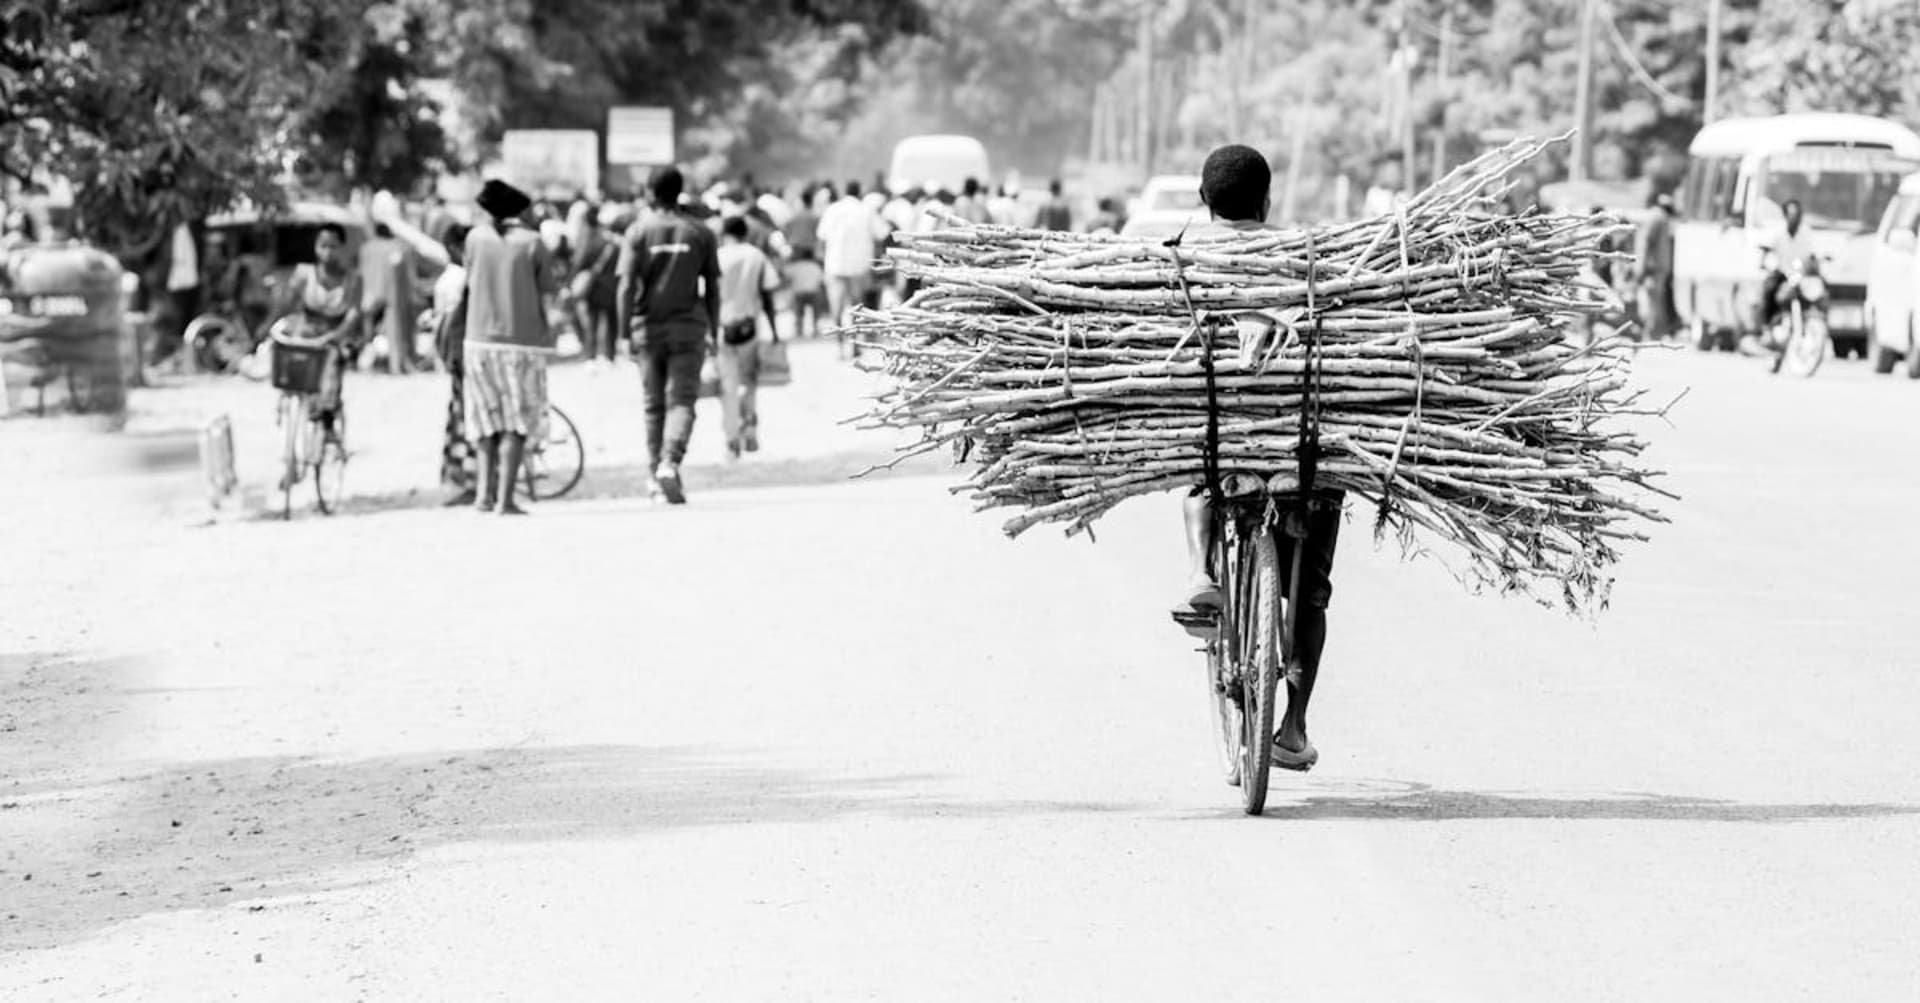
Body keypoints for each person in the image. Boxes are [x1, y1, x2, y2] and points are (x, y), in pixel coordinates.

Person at [1176, 144, 1343, 773]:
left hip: (1223, 441)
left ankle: (1201, 571)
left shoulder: (1183, 260)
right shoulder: (1302, 257)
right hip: (1304, 451)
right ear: (1267, 202)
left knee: (1200, 463)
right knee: (1314, 594)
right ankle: (1293, 728)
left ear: (1203, 200)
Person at [617, 165, 721, 505]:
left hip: (646, 328)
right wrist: (713, 329)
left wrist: (621, 333)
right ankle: (669, 463)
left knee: (653, 405)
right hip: (689, 328)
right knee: (682, 401)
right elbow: (712, 288)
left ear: (649, 192)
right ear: (679, 193)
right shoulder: (700, 232)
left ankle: (652, 476)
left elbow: (625, 286)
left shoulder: (638, 231)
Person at [463, 179, 558, 516]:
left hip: (478, 341)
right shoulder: (533, 243)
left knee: (485, 421)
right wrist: (553, 334)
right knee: (517, 422)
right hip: (523, 344)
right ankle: (505, 500)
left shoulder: (474, 239)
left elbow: (468, 279)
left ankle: (482, 496)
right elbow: (549, 297)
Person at [272, 222, 362, 421]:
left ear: (343, 248)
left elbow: (353, 315)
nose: (327, 252)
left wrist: (334, 336)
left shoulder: (353, 279)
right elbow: (286, 303)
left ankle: (328, 422)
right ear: (315, 246)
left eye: (333, 246)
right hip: (307, 334)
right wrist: (270, 324)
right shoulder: (304, 273)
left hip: (336, 336)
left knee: (332, 365)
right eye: (323, 245)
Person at [716, 216, 781, 459]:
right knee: (749, 382)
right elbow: (767, 296)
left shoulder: (717, 256)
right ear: (745, 233)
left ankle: (731, 439)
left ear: (724, 233)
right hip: (749, 329)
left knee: (728, 386)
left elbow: (706, 295)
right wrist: (774, 330)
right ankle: (750, 425)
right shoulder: (756, 256)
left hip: (722, 328)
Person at [432, 223, 475, 504]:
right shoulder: (461, 280)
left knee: (460, 417)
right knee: (469, 419)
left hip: (455, 355)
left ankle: (458, 477)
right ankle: (469, 479)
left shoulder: (447, 280)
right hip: (464, 354)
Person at [816, 179, 886, 355]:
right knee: (856, 306)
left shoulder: (832, 209)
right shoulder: (866, 210)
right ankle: (854, 345)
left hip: (835, 264)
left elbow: (821, 236)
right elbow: (882, 233)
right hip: (859, 266)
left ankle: (840, 346)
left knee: (836, 307)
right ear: (859, 192)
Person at [1757, 199, 1815, 334]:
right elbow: (1767, 249)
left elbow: (1812, 254)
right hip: (1783, 274)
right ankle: (1766, 325)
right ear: (1785, 215)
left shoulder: (1806, 233)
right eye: (1791, 214)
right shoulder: (1778, 232)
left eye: (1797, 215)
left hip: (1801, 275)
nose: (1794, 218)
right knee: (1769, 289)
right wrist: (1764, 263)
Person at [783, 186, 828, 339]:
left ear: (802, 201)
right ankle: (816, 323)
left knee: (797, 294)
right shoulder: (817, 217)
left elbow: (786, 235)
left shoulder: (792, 218)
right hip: (813, 259)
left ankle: (798, 327)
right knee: (815, 289)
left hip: (796, 258)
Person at [1634, 192, 1676, 339]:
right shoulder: (1657, 218)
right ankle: (1651, 332)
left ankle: (1652, 332)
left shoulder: (1657, 218)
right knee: (1653, 303)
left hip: (1655, 269)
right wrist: (1641, 268)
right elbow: (1645, 244)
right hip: (1653, 269)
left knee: (1654, 302)